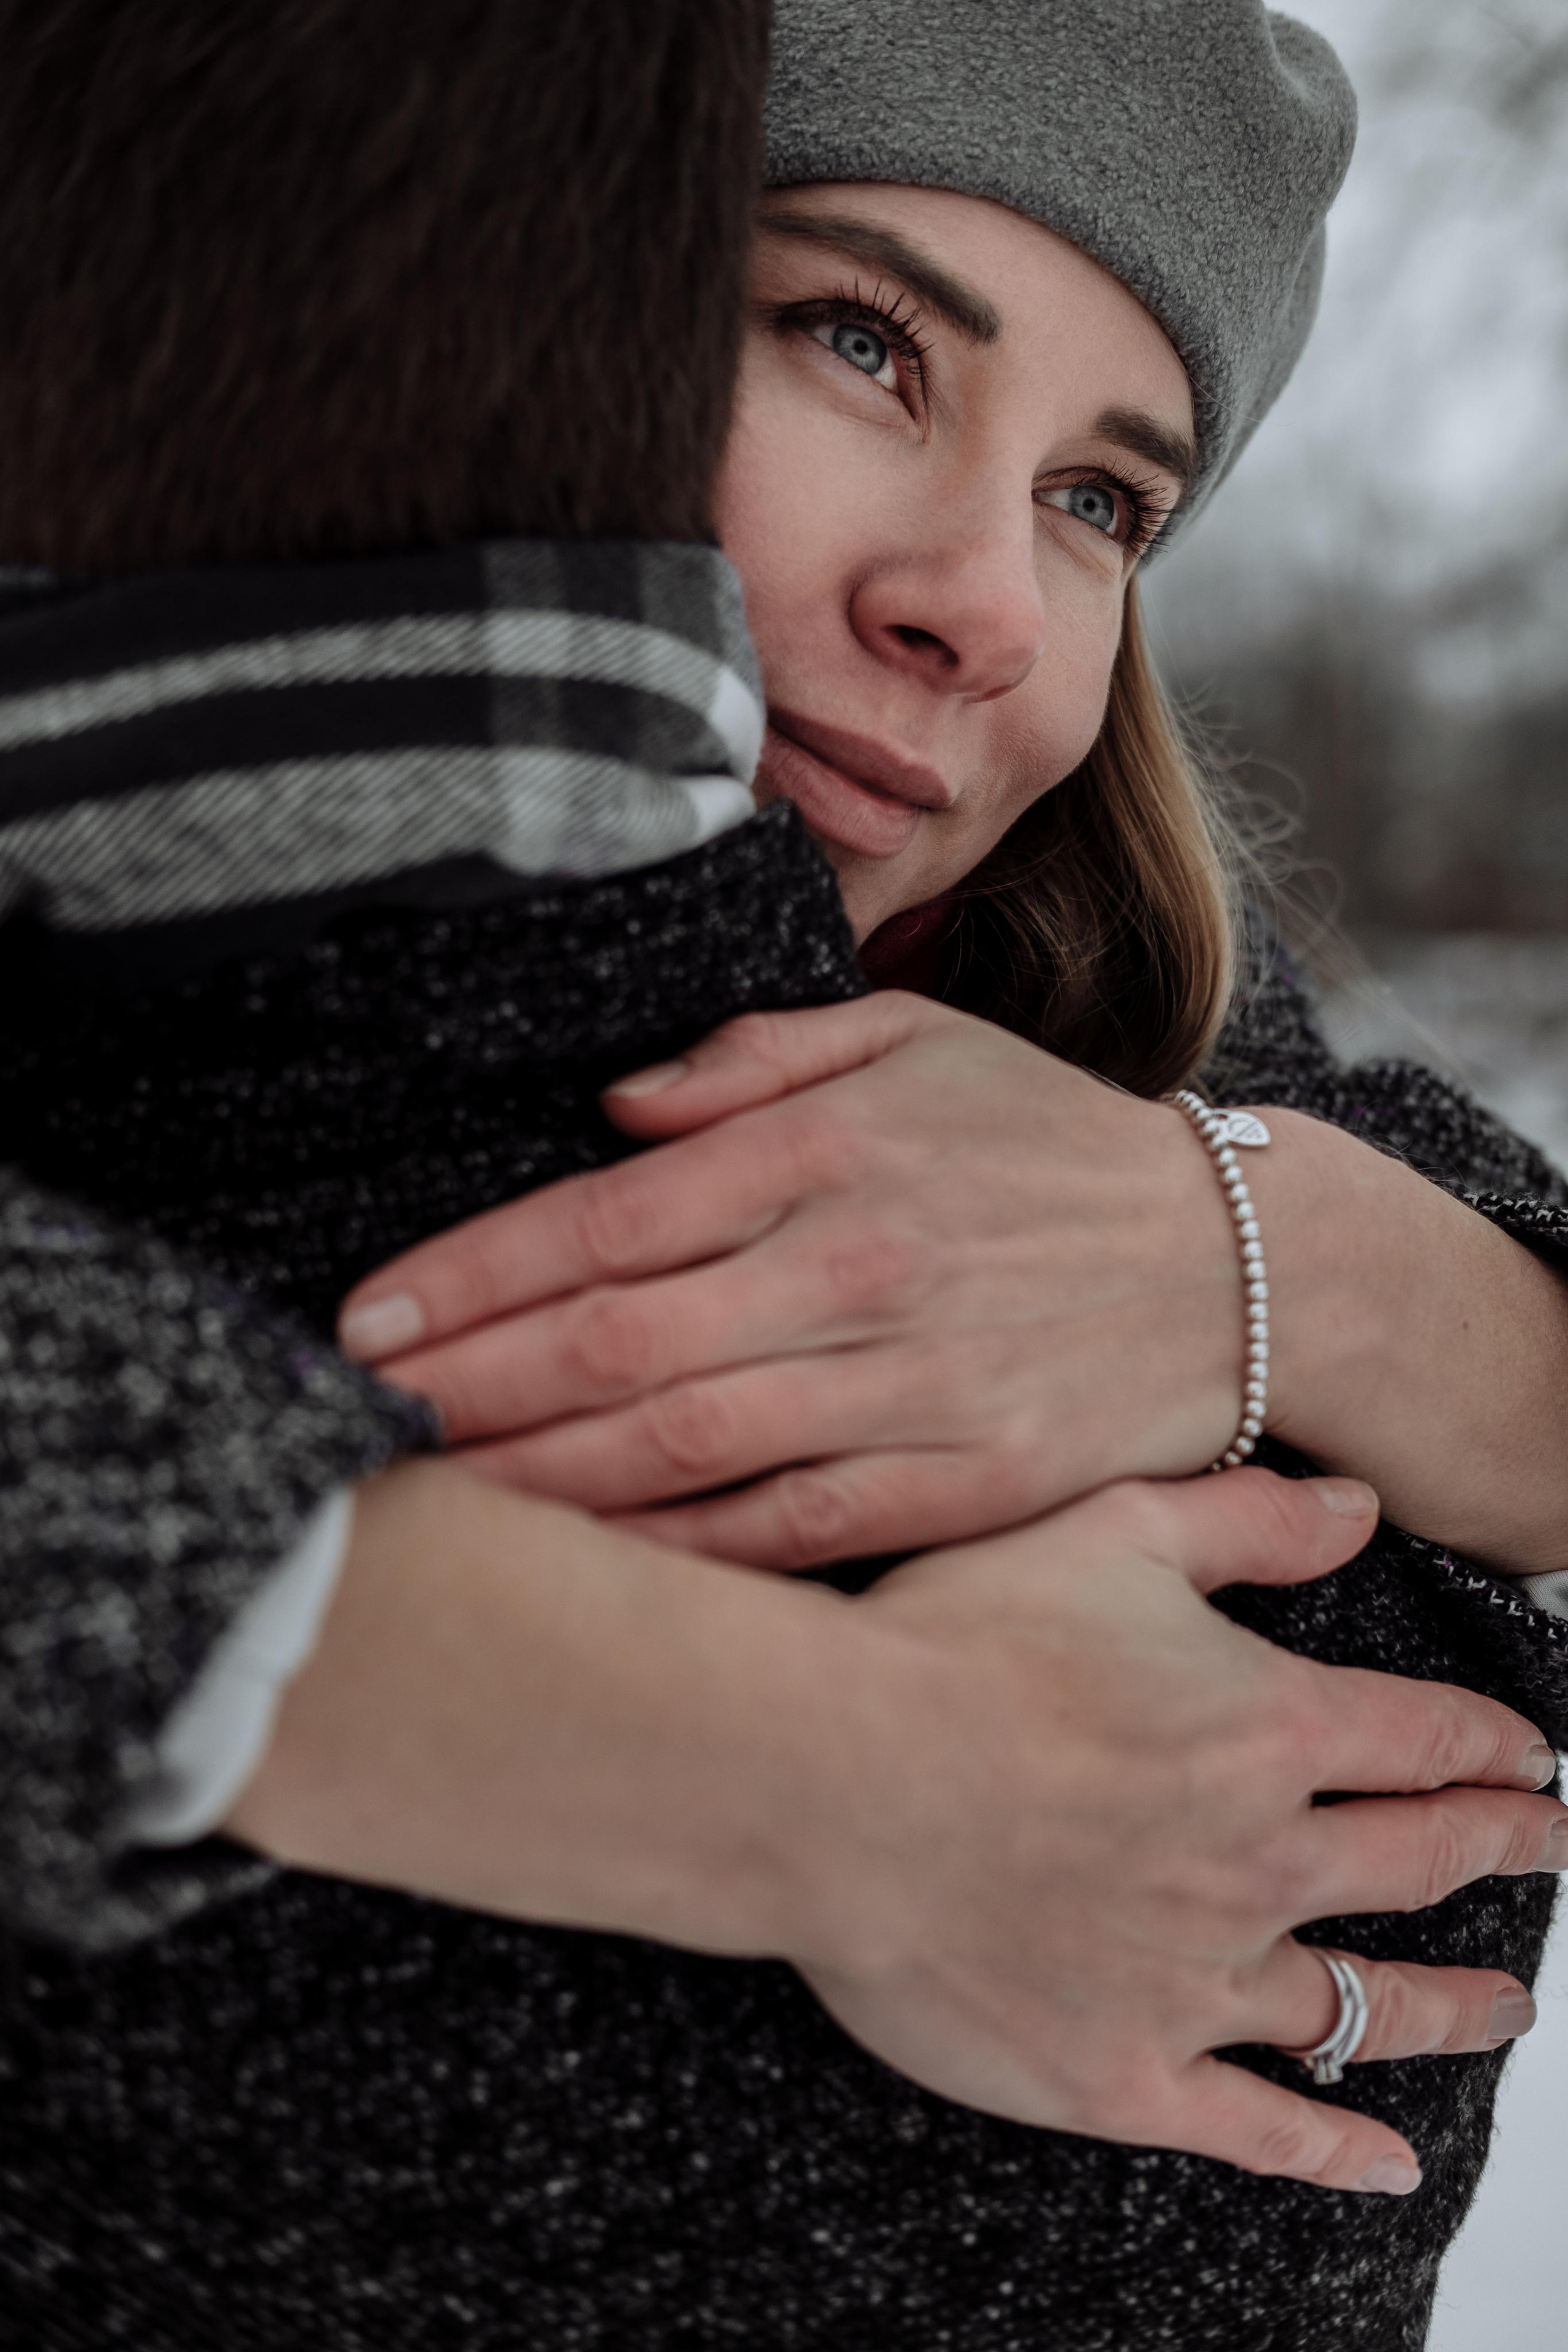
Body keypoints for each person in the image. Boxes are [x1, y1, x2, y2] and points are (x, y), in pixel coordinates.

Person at [0, 6, 1562, 2351]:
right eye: (859, 338)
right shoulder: (183, 960)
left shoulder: (1106, 1027)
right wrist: (856, 1786)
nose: (992, 609)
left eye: (1103, 501)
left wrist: (1258, 1250)